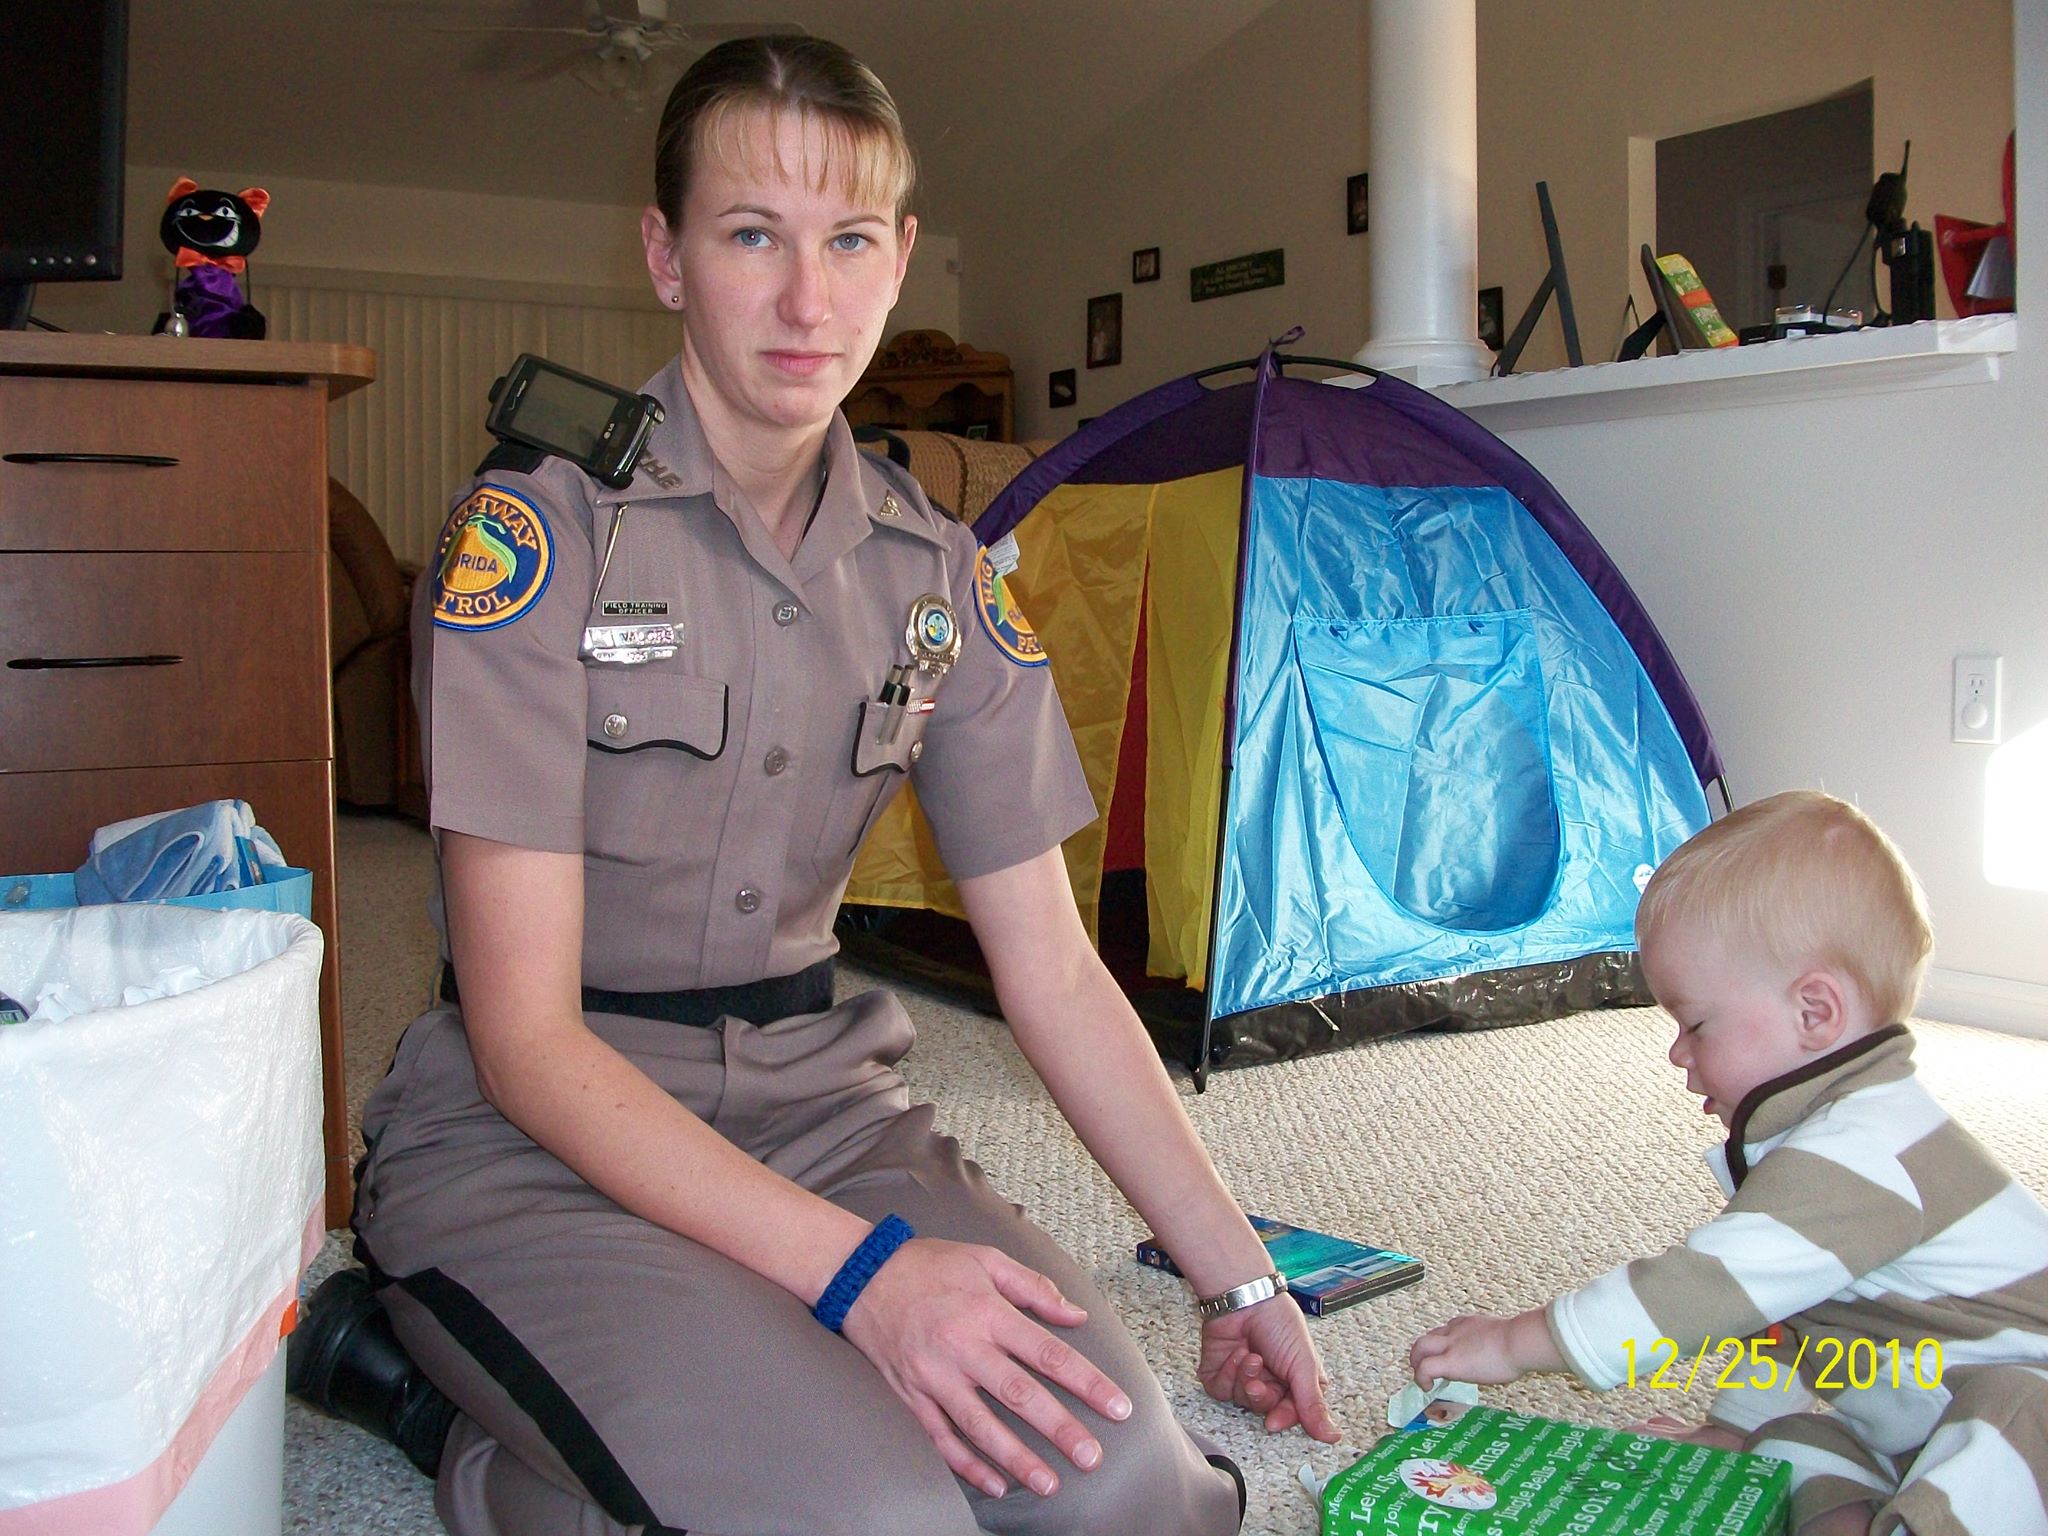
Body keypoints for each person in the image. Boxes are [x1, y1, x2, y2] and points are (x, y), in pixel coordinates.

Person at [299, 34, 1339, 1536]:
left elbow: (1049, 968)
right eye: (750, 236)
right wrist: (860, 1281)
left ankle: (712, 1372)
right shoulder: (536, 539)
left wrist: (1237, 1270)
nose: (808, 300)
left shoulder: (939, 577)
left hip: (818, 1114)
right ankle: (429, 1403)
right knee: (870, 1517)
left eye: (850, 241)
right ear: (665, 257)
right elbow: (525, 1040)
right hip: (542, 1134)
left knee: (1128, 1498)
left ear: (902, 259)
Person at [1406, 790, 2048, 1536]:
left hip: (2022, 1427)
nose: (1678, 1052)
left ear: (1815, 1014)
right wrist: (1734, 1427)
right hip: (1926, 1430)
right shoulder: (1804, 1150)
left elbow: (1702, 1291)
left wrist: (1521, 1340)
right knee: (1785, 1447)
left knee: (2021, 1408)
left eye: (1695, 1023)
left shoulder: (1871, 1147)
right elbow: (1776, 1315)